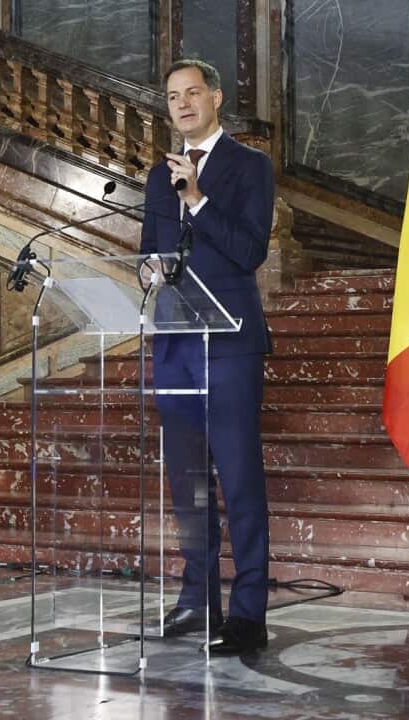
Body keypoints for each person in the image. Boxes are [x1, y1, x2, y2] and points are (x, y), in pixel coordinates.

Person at [141, 59, 275, 655]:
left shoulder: (250, 168)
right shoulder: (155, 177)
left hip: (229, 346)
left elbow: (249, 251)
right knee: (188, 484)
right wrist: (147, 269)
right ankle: (197, 599)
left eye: (193, 92)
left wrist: (196, 200)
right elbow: (152, 250)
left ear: (216, 97)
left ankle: (247, 613)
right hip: (175, 345)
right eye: (173, 96)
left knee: (240, 479)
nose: (183, 103)